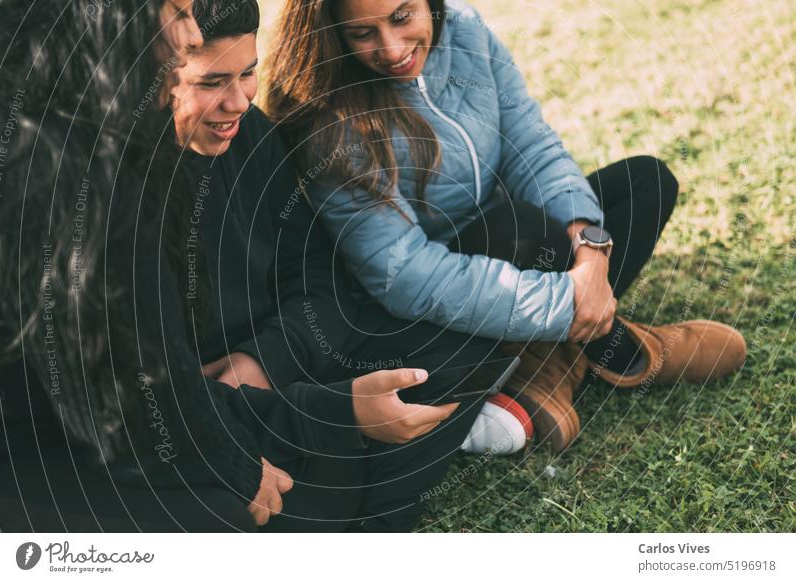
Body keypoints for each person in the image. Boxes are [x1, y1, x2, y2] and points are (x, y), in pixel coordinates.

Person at [265, 0, 748, 452]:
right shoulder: (328, 119)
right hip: (427, 302)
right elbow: (406, 276)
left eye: (402, 16)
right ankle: (619, 348)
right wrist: (567, 302)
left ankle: (546, 364)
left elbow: (531, 147)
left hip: (516, 238)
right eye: (362, 33)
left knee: (645, 183)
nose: (392, 49)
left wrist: (591, 255)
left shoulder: (466, 30)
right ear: (332, 34)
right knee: (526, 231)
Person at [165, 0, 517, 531]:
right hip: (202, 419)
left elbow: (317, 278)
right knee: (258, 502)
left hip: (288, 367)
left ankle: (365, 489)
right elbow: (133, 392)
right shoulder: (112, 195)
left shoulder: (251, 135)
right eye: (212, 82)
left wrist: (263, 361)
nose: (237, 101)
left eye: (249, 72)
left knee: (461, 335)